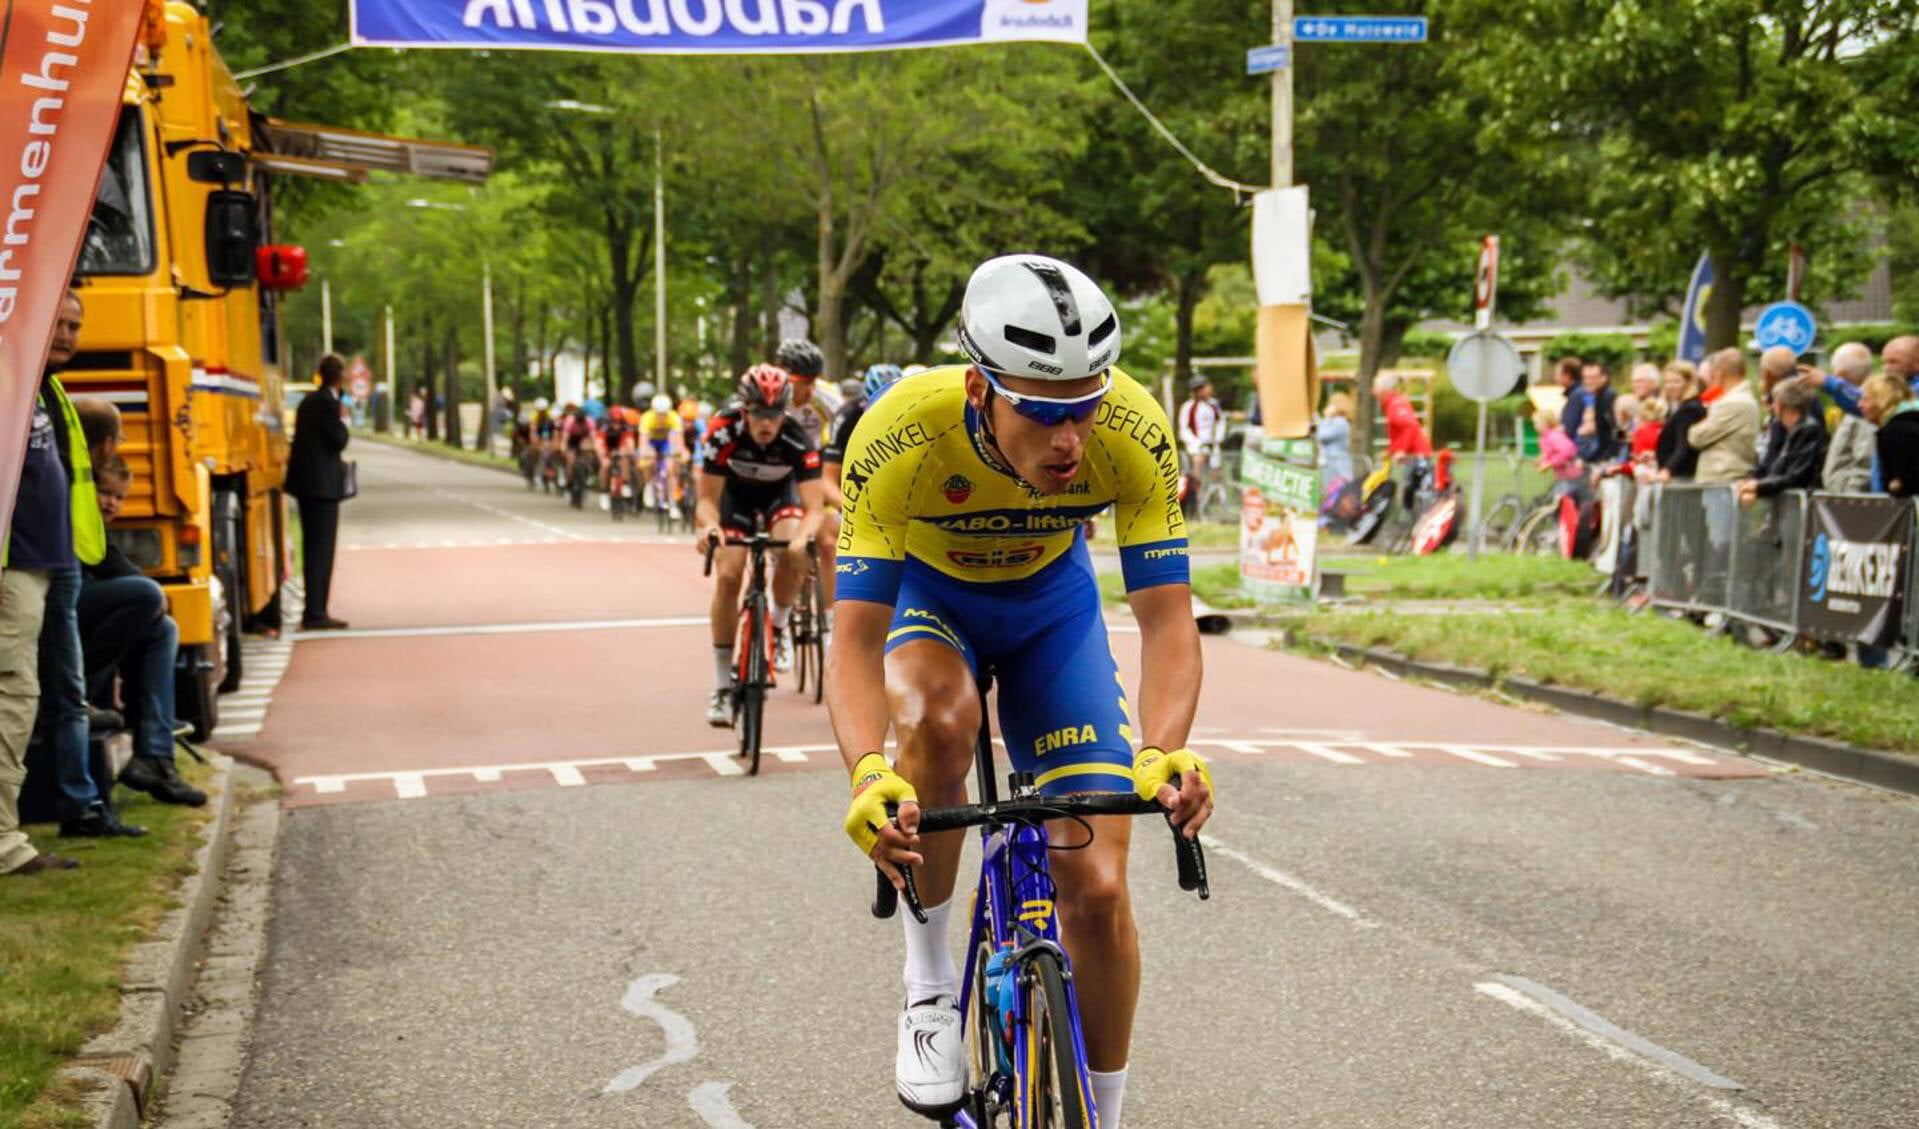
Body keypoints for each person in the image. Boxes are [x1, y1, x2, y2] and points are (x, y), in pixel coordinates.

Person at [826, 254, 1211, 1126]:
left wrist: (1163, 746)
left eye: (1083, 407)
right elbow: (851, 640)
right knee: (939, 719)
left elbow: (1166, 621)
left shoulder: (1134, 428)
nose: (1070, 437)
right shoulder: (899, 433)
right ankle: (928, 992)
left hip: (1050, 612)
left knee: (1101, 887)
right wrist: (864, 772)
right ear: (977, 388)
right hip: (932, 604)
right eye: (1042, 411)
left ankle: (1101, 1115)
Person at [18, 290, 136, 843]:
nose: (66, 334)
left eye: (74, 325)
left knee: (64, 690)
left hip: (61, 559)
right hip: (25, 560)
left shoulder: (54, 391)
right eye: (58, 322)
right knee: (35, 689)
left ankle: (81, 804)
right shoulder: (18, 384)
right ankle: (68, 802)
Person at [695, 365, 824, 723]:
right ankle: (722, 685)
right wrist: (708, 528)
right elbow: (706, 500)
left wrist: (801, 541)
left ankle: (778, 627)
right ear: (744, 409)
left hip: (778, 499)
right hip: (733, 499)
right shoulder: (723, 432)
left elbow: (814, 509)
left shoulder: (797, 439)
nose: (766, 424)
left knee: (792, 547)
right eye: (758, 414)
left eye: (774, 415)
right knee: (728, 575)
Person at [81, 458, 205, 806]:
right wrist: (151, 591)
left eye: (119, 498)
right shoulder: (75, 511)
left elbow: (113, 561)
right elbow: (108, 561)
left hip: (77, 615)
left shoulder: (93, 523)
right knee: (147, 598)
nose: (111, 503)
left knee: (162, 628)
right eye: (104, 493)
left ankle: (154, 757)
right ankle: (78, 692)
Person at [776, 339, 844, 614]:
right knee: (781, 543)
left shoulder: (828, 399)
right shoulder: (769, 397)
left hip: (815, 467)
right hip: (780, 467)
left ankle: (830, 620)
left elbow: (842, 439)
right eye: (803, 382)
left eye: (814, 381)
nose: (809, 390)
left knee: (828, 542)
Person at [286, 354, 352, 631]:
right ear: (339, 378)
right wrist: (343, 418)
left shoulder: (307, 402)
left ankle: (313, 609)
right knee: (322, 551)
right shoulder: (328, 404)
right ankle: (316, 611)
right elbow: (339, 440)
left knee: (311, 547)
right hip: (323, 487)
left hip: (305, 485)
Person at [1737, 381, 1826, 505]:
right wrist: (1750, 480)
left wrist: (1759, 487)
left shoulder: (1809, 430)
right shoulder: (1781, 429)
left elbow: (1797, 476)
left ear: (1781, 404)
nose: (1772, 406)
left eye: (1774, 402)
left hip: (1803, 505)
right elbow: (1770, 465)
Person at [1687, 347, 1759, 483]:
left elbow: (1696, 437)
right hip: (1724, 480)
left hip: (1723, 480)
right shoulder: (1743, 399)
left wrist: (1695, 428)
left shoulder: (1734, 402)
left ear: (1719, 374)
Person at [1821, 343, 1878, 494]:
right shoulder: (1850, 408)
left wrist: (1849, 499)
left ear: (1841, 374)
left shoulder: (1867, 412)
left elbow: (1864, 464)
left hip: (1851, 505)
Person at [1861, 373, 1919, 497]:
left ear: (1882, 400)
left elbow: (1907, 481)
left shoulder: (1896, 431)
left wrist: (1897, 485)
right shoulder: (1910, 423)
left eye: (1866, 399)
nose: (1860, 405)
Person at [1656, 359, 1706, 481]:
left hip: (1681, 476)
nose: (1670, 386)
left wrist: (1667, 470)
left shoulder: (1689, 409)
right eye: (1667, 382)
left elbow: (1683, 445)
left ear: (1689, 382)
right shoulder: (1681, 407)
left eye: (1676, 382)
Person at [1535, 410, 1584, 500]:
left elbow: (1568, 451)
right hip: (1563, 476)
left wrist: (1550, 464)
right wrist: (1542, 459)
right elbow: (1551, 452)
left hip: (1571, 475)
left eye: (1537, 423)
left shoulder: (1554, 436)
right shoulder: (1546, 437)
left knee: (1562, 501)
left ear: (1546, 423)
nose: (1535, 426)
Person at [1317, 392, 1355, 487]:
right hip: (1334, 463)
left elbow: (1322, 436)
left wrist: (1327, 417)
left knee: (1335, 493)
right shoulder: (1338, 422)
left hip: (1337, 465)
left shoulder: (1340, 423)